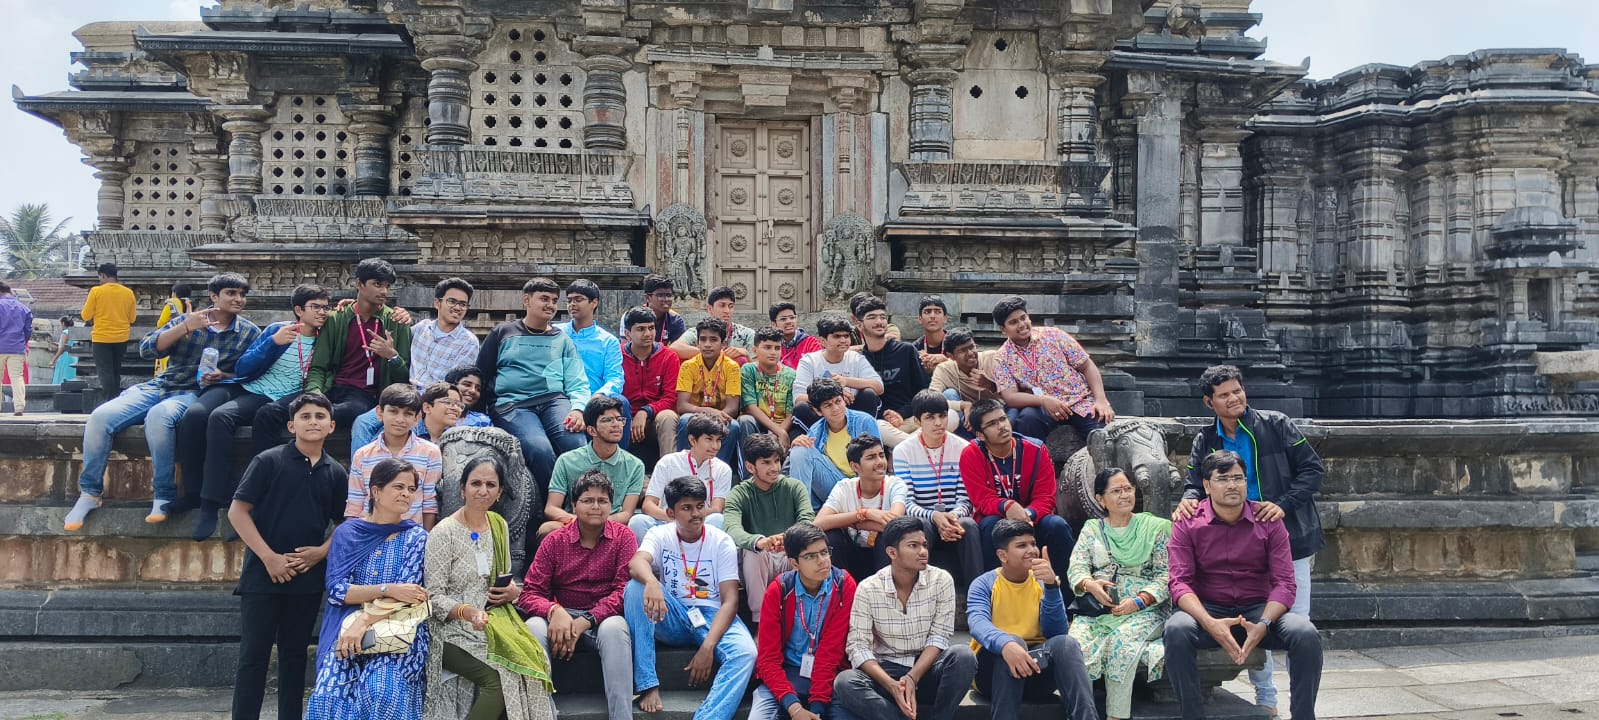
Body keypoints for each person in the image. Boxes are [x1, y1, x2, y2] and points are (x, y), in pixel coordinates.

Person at [1175, 364, 1325, 715]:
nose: (1234, 398)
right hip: (1233, 533)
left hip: (1288, 534)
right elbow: (1196, 483)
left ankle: (1299, 706)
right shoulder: (1205, 439)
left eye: (1237, 390)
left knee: (1292, 620)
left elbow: (1312, 470)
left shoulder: (1276, 424)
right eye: (1224, 395)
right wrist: (1188, 499)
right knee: (1249, 617)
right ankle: (1266, 699)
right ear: (1209, 403)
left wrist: (1283, 506)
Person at [64, 273, 261, 530]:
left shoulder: (248, 333)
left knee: (160, 417)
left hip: (192, 392)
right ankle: (89, 493)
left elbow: (252, 372)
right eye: (231, 293)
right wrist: (185, 327)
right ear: (214, 296)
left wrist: (223, 375)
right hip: (159, 385)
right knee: (100, 417)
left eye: (242, 294)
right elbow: (148, 349)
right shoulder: (188, 320)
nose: (238, 299)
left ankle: (163, 494)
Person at [1163, 450, 1323, 720]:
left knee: (1305, 633)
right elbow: (1179, 583)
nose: (1233, 485)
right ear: (1206, 485)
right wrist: (1210, 622)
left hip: (1258, 610)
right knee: (1176, 629)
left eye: (1238, 478)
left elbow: (1285, 582)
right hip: (1208, 610)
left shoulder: (1268, 520)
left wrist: (1264, 624)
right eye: (1223, 479)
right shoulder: (1188, 522)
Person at [177, 284, 331, 540]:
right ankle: (210, 501)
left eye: (326, 308)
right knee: (217, 417)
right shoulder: (276, 330)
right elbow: (244, 366)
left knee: (262, 417)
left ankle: (251, 500)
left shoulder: (327, 337)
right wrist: (272, 343)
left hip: (285, 398)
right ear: (298, 310)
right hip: (253, 389)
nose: (322, 313)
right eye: (315, 307)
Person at [226, 392, 347, 720]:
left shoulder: (335, 472)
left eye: (320, 417)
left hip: (306, 579)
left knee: (295, 658)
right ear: (291, 424)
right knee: (253, 657)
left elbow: (346, 524)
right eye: (305, 417)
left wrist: (321, 553)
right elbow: (238, 512)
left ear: (331, 426)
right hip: (262, 576)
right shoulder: (269, 461)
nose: (313, 422)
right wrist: (269, 558)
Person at [423, 457, 555, 720]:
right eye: (476, 483)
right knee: (498, 680)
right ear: (462, 489)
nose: (483, 491)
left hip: (491, 622)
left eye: (490, 485)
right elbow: (433, 598)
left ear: (499, 492)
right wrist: (467, 612)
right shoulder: (443, 533)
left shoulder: (498, 526)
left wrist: (512, 593)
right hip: (449, 630)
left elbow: (503, 579)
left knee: (532, 660)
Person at [306, 458, 431, 720]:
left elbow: (408, 595)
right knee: (331, 694)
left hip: (397, 633)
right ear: (375, 491)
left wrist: (363, 622)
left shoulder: (416, 536)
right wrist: (387, 588)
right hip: (345, 629)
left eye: (411, 489)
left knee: (381, 691)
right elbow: (338, 591)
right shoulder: (348, 533)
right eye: (399, 487)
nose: (406, 494)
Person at [624, 475, 756, 720]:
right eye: (686, 508)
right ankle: (648, 684)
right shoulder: (660, 534)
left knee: (746, 653)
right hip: (671, 614)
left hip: (712, 616)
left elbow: (730, 601)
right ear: (671, 513)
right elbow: (636, 563)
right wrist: (652, 581)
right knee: (635, 587)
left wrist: (708, 647)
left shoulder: (722, 541)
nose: (696, 514)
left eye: (700, 506)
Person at [520, 470, 637, 720]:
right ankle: (543, 715)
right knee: (532, 627)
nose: (595, 507)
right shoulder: (555, 541)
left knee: (616, 628)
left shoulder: (623, 537)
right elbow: (530, 593)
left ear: (611, 505)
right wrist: (555, 611)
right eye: (587, 500)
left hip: (602, 621)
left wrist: (586, 621)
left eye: (602, 501)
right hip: (560, 621)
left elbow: (622, 593)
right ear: (574, 505)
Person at [833, 516, 976, 720]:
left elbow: (940, 636)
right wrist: (891, 685)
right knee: (845, 681)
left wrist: (913, 676)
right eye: (913, 546)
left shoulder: (941, 579)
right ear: (892, 552)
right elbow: (858, 646)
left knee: (964, 656)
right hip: (886, 669)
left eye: (924, 545)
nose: (923, 551)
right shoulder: (868, 588)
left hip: (927, 668)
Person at [1067, 468, 1173, 720]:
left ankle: (1117, 716)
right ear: (1101, 499)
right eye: (1116, 491)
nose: (1124, 495)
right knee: (1074, 647)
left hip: (1145, 611)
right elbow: (1077, 566)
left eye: (1128, 489)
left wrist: (1138, 601)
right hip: (1098, 612)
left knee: (1121, 645)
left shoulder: (1157, 527)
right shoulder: (1092, 528)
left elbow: (1166, 575)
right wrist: (1090, 584)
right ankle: (1082, 715)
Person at [966, 519, 1096, 720]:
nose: (1031, 550)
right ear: (1002, 555)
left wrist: (1052, 587)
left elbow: (1056, 633)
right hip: (991, 674)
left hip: (1035, 668)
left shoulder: (1043, 582)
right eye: (1021, 546)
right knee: (1013, 642)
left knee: (1066, 643)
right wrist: (1006, 644)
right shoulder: (984, 584)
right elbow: (977, 624)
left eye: (1033, 544)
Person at [478, 276, 590, 494]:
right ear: (527, 300)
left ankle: (583, 501)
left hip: (554, 401)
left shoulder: (562, 339)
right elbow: (481, 375)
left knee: (576, 446)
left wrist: (578, 409)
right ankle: (551, 505)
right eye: (544, 299)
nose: (550, 305)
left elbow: (577, 380)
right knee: (539, 450)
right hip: (513, 405)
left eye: (554, 300)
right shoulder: (502, 333)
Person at [349, 277, 479, 452]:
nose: (457, 307)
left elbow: (453, 385)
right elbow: (396, 337)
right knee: (362, 423)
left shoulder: (468, 342)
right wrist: (352, 307)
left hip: (431, 402)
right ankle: (359, 474)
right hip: (404, 393)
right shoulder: (420, 328)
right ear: (437, 303)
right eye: (452, 301)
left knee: (386, 434)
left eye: (463, 304)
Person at [750, 523, 857, 720]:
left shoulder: (843, 585)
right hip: (787, 674)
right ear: (794, 563)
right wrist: (794, 708)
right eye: (810, 556)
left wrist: (816, 708)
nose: (822, 561)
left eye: (824, 552)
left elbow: (831, 653)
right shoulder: (779, 590)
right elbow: (768, 660)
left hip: (831, 675)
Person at [959, 399, 1073, 577]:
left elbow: (1046, 497)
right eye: (992, 424)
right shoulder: (971, 454)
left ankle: (1065, 594)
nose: (1002, 426)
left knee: (1056, 525)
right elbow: (981, 499)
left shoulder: (1036, 449)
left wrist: (1027, 514)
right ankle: (994, 592)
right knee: (990, 524)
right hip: (996, 518)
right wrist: (1007, 506)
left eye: (1003, 419)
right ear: (980, 435)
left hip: (1033, 517)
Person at [303, 258, 413, 433]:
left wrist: (392, 356)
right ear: (359, 284)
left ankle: (316, 415)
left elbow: (404, 377)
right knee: (271, 412)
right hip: (333, 388)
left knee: (354, 409)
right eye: (377, 284)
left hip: (366, 395)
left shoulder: (397, 322)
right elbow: (318, 367)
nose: (384, 291)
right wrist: (315, 394)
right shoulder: (335, 319)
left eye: (387, 286)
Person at [987, 295, 1113, 441]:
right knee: (1027, 419)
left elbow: (1086, 366)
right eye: (1013, 322)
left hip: (1080, 401)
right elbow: (1011, 397)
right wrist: (1043, 400)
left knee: (1105, 437)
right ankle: (1036, 462)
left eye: (1023, 318)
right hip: (1043, 408)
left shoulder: (1054, 335)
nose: (1021, 324)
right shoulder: (1001, 357)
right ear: (1003, 329)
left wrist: (1101, 400)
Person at [894, 390, 983, 585]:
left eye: (942, 416)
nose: (938, 423)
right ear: (917, 421)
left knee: (968, 524)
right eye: (930, 417)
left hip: (955, 519)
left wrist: (951, 518)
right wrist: (935, 516)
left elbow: (966, 498)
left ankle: (976, 594)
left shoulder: (963, 447)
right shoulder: (903, 451)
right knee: (920, 526)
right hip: (924, 518)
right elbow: (906, 501)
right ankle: (921, 590)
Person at [724, 434, 815, 616]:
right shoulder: (739, 493)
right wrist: (759, 542)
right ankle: (760, 621)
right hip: (756, 562)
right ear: (750, 466)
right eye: (766, 462)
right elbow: (731, 528)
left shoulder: (794, 486)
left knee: (809, 547)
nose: (774, 468)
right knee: (754, 552)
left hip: (788, 553)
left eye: (776, 461)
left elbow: (807, 518)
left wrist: (786, 537)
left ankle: (803, 614)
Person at [539, 394, 645, 537]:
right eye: (607, 420)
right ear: (591, 430)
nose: (616, 424)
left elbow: (626, 513)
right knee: (547, 529)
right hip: (573, 522)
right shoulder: (566, 460)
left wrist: (599, 524)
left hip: (612, 525)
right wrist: (582, 523)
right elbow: (551, 508)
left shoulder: (635, 465)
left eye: (619, 419)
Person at [345, 384, 442, 530]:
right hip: (368, 533)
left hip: (410, 536)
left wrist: (424, 541)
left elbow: (429, 504)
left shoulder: (430, 452)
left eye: (408, 414)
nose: (400, 419)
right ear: (380, 413)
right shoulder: (363, 455)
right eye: (393, 411)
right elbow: (354, 505)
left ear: (417, 418)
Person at [814, 434, 905, 580]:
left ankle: (884, 594)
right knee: (832, 535)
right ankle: (840, 591)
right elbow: (818, 524)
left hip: (882, 555)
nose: (880, 462)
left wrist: (852, 522)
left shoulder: (895, 484)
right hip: (851, 554)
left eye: (881, 455)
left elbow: (895, 524)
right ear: (855, 466)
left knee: (887, 536)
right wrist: (866, 513)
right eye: (871, 458)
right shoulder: (844, 487)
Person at [630, 413, 733, 540]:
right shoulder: (668, 462)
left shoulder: (723, 469)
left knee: (718, 519)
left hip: (701, 524)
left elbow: (716, 508)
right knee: (638, 522)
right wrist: (677, 519)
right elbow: (648, 505)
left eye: (718, 440)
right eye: (709, 439)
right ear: (692, 440)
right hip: (668, 522)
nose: (715, 446)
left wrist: (689, 518)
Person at [558, 279, 631, 445]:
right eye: (569, 300)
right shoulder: (557, 333)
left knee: (622, 402)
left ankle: (621, 462)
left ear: (594, 302)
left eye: (578, 299)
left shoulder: (608, 341)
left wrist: (599, 395)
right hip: (562, 398)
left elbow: (615, 377)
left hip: (596, 399)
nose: (572, 305)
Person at [790, 378, 880, 510]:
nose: (836, 408)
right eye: (828, 405)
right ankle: (805, 513)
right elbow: (804, 465)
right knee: (800, 449)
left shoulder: (864, 421)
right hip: (835, 486)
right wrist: (797, 443)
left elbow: (877, 462)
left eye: (838, 401)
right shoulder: (816, 430)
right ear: (818, 411)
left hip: (861, 487)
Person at [854, 295, 927, 448]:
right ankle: (916, 447)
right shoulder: (858, 360)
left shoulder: (906, 350)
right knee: (878, 427)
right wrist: (887, 417)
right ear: (860, 325)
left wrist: (901, 414)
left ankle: (903, 448)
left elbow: (922, 391)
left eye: (882, 317)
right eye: (872, 317)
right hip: (882, 424)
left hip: (911, 418)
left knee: (950, 416)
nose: (879, 322)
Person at [675, 316, 747, 469]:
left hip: (722, 416)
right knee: (684, 420)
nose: (707, 344)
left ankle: (716, 471)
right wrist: (707, 411)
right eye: (703, 339)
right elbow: (682, 406)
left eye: (713, 340)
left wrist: (716, 416)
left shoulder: (731, 367)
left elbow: (732, 408)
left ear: (724, 344)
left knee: (733, 426)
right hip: (695, 415)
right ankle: (683, 469)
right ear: (697, 343)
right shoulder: (688, 366)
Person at [793, 316, 882, 426]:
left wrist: (846, 381)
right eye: (837, 336)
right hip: (823, 414)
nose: (843, 340)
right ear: (822, 341)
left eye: (846, 336)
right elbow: (798, 398)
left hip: (852, 411)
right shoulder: (809, 360)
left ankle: (861, 435)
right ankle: (823, 439)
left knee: (869, 394)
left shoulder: (856, 358)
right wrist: (832, 396)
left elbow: (879, 387)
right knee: (801, 408)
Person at [620, 306, 683, 461]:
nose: (648, 334)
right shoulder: (617, 354)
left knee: (668, 417)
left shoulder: (668, 356)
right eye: (640, 329)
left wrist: (646, 411)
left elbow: (671, 397)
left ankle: (669, 475)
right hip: (625, 416)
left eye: (651, 328)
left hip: (656, 416)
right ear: (627, 334)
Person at [926, 327, 998, 435]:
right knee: (949, 394)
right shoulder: (944, 369)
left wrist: (991, 385)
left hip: (997, 410)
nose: (970, 353)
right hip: (966, 419)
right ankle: (966, 444)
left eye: (972, 347)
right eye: (963, 350)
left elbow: (1012, 391)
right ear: (951, 356)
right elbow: (931, 400)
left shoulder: (992, 358)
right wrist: (963, 405)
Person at [82, 262, 137, 399]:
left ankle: (109, 400)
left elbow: (85, 315)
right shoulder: (128, 292)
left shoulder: (96, 291)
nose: (99, 281)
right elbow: (132, 318)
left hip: (101, 338)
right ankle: (116, 400)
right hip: (121, 338)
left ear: (103, 275)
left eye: (100, 277)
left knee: (105, 372)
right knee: (115, 371)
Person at [739, 326, 798, 446]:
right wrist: (778, 432)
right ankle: (748, 464)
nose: (773, 352)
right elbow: (750, 407)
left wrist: (780, 432)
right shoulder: (748, 370)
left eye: (777, 348)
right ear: (755, 351)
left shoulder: (790, 374)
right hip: (758, 424)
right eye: (767, 347)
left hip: (783, 426)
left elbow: (790, 413)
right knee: (745, 420)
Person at [672, 285, 756, 363]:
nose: (727, 311)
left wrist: (747, 355)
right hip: (703, 377)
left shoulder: (746, 334)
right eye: (722, 306)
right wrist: (711, 353)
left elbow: (761, 369)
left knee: (741, 359)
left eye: (730, 306)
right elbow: (674, 348)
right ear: (709, 309)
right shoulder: (698, 332)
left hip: (736, 377)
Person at [621, 273, 686, 345]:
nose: (666, 299)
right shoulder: (631, 316)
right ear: (648, 298)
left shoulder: (675, 320)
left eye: (669, 295)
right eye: (660, 295)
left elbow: (679, 347)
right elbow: (624, 348)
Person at [0, 281, 33, 415]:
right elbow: (28, 331)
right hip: (17, 348)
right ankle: (19, 407)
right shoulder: (24, 308)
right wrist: (22, 342)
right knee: (17, 377)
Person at [153, 283, 193, 376]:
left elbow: (161, 323)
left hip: (170, 337)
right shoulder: (192, 304)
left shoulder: (171, 304)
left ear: (174, 293)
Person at [771, 301, 821, 370]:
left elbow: (818, 368)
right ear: (773, 324)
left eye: (792, 317)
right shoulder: (771, 344)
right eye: (783, 319)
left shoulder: (810, 343)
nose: (789, 321)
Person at [911, 296, 951, 375]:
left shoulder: (957, 342)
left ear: (945, 318)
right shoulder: (914, 348)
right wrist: (918, 363)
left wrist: (947, 361)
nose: (932, 316)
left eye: (937, 312)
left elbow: (969, 367)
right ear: (920, 319)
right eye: (927, 312)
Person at [50, 316, 79, 385]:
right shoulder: (75, 332)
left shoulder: (65, 332)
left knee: (62, 378)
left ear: (63, 323)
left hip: (65, 357)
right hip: (73, 357)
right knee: (71, 377)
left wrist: (53, 360)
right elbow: (70, 343)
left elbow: (62, 348)